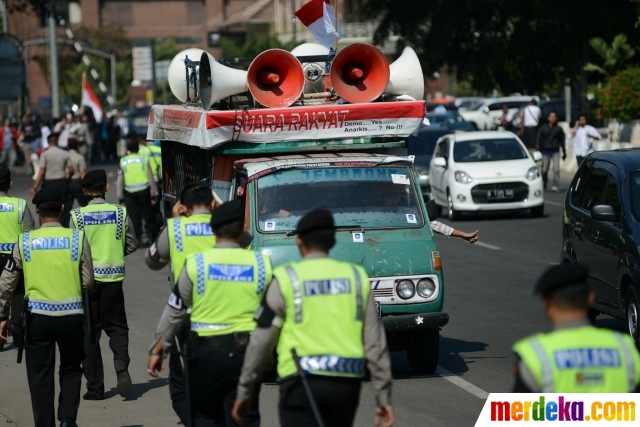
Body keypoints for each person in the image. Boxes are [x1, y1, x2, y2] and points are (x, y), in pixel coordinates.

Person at [231, 209, 394, 427]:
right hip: (345, 386)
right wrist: (383, 396)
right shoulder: (357, 278)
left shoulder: (286, 279)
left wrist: (245, 389)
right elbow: (375, 344)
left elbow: (261, 340)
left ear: (299, 242)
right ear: (333, 241)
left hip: (299, 383)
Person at [148, 200, 268, 426]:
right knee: (242, 415)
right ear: (242, 230)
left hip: (204, 354)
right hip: (247, 354)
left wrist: (158, 348)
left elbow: (175, 309)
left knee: (204, 415)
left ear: (213, 231)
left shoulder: (196, 263)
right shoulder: (262, 264)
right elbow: (272, 316)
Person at [0, 187, 95, 427]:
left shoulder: (24, 242)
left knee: (40, 375)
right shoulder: (77, 238)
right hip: (72, 316)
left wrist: (2, 314)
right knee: (72, 367)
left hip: (37, 319)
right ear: (63, 208)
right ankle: (67, 418)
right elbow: (88, 280)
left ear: (36, 209)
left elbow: (6, 283)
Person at [145, 182, 217, 424]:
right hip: (225, 314)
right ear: (214, 204)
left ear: (182, 207)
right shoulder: (227, 227)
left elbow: (152, 260)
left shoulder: (176, 228)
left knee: (182, 386)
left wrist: (171, 222)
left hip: (186, 316)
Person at [512, 264, 640, 392]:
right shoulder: (625, 349)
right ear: (590, 297)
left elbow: (520, 410)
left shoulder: (534, 356)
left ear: (545, 302)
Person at [69, 169, 138, 401]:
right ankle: (120, 362)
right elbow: (132, 244)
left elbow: (72, 251)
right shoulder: (120, 212)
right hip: (114, 281)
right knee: (117, 327)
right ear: (106, 188)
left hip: (87, 283)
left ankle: (95, 387)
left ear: (85, 191)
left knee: (90, 333)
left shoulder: (77, 216)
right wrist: (116, 255)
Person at [0, 168, 35, 351]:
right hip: (15, 257)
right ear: (10, 184)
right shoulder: (20, 205)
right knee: (17, 292)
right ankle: (17, 329)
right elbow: (29, 233)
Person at [377, 184, 479, 243]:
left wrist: (463, 234)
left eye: (396, 196)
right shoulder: (372, 215)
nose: (394, 200)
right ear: (380, 198)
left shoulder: (406, 212)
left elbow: (433, 225)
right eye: (389, 197)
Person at [117, 139, 158, 246]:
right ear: (138, 148)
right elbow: (151, 178)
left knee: (134, 217)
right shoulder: (144, 159)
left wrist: (120, 197)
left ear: (128, 150)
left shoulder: (123, 161)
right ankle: (151, 238)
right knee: (148, 216)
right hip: (144, 192)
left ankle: (137, 240)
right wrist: (154, 194)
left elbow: (120, 181)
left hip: (129, 193)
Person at [32, 133, 74, 219]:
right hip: (61, 182)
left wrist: (35, 187)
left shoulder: (45, 154)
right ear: (57, 141)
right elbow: (71, 170)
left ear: (48, 142)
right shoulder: (64, 153)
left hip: (49, 183)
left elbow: (41, 171)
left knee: (47, 205)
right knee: (63, 206)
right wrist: (69, 178)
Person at [536, 111, 566, 193]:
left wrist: (564, 152)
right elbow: (538, 137)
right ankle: (544, 181)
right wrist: (538, 147)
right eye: (551, 117)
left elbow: (562, 141)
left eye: (554, 117)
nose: (552, 118)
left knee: (556, 169)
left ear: (557, 118)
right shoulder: (543, 128)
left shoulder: (559, 129)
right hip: (545, 151)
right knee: (544, 170)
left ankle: (555, 186)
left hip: (555, 151)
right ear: (548, 118)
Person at [66, 138, 88, 211]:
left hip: (67, 182)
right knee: (84, 206)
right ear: (77, 146)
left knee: (67, 208)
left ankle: (65, 222)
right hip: (77, 182)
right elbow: (82, 173)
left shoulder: (64, 156)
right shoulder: (80, 157)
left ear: (67, 146)